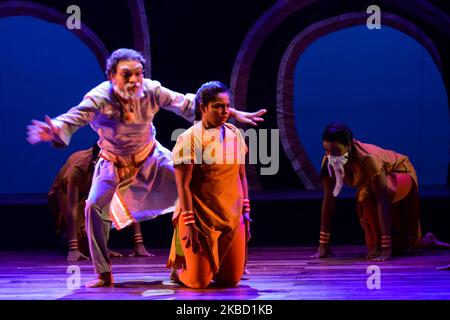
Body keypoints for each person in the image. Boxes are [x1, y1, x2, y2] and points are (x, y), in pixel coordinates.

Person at [26, 48, 265, 287]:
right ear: (111, 76)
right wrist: (55, 129)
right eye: (127, 75)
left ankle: (196, 256)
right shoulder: (98, 98)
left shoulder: (150, 90)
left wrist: (231, 111)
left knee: (193, 185)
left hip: (151, 156)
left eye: (138, 74)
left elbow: (187, 103)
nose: (134, 80)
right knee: (93, 207)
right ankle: (103, 273)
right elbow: (73, 117)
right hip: (114, 162)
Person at [311, 122, 449, 261]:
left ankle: (382, 243)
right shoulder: (329, 160)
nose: (330, 155)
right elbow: (328, 200)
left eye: (335, 151)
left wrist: (385, 247)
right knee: (397, 246)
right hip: (377, 182)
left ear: (348, 145)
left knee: (366, 195)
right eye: (327, 150)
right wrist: (323, 244)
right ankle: (426, 241)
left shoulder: (368, 158)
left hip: (400, 173)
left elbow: (383, 202)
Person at [167, 81, 251, 288]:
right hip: (200, 218)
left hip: (230, 214)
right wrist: (190, 222)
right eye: (218, 106)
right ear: (203, 107)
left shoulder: (234, 135)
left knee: (230, 280)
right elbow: (183, 186)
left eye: (227, 106)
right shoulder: (189, 139)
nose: (225, 111)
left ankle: (205, 263)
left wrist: (245, 210)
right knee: (199, 282)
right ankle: (178, 271)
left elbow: (241, 176)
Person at [48, 144, 153, 262]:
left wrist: (139, 244)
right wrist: (74, 248)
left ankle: (97, 245)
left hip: (91, 189)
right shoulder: (78, 169)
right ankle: (71, 239)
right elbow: (72, 208)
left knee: (110, 209)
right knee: (81, 235)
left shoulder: (117, 165)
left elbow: (131, 200)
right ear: (96, 162)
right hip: (67, 192)